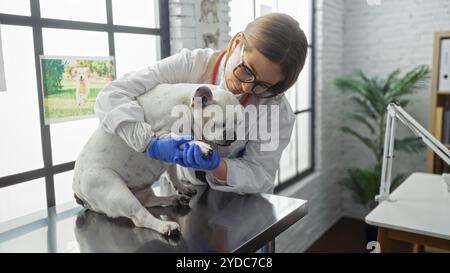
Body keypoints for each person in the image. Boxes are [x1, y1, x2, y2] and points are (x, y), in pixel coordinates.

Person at [94, 13, 308, 194]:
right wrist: (149, 143)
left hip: (239, 204)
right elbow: (112, 95)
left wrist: (218, 166)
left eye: (263, 85)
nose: (246, 87)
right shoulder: (191, 65)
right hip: (179, 191)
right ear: (236, 43)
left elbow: (261, 175)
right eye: (246, 70)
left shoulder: (275, 110)